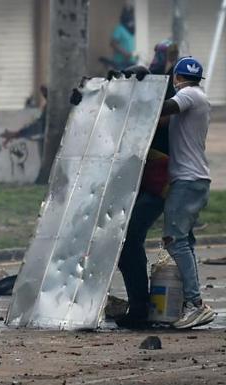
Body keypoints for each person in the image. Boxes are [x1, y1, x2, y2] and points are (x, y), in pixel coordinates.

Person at [115, 40, 179, 329]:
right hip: (137, 181)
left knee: (130, 241)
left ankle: (141, 309)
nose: (156, 60)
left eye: (161, 56)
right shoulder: (142, 94)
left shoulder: (168, 95)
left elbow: (161, 112)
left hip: (158, 184)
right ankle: (139, 305)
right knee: (125, 243)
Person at [157, 57, 215, 329]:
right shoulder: (198, 96)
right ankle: (190, 301)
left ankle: (196, 304)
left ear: (175, 78)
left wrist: (148, 92)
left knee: (174, 240)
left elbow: (166, 106)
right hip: (193, 180)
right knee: (184, 242)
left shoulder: (189, 95)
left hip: (188, 181)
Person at [110, 4, 137, 70]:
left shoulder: (131, 30)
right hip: (121, 62)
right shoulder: (119, 29)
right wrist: (125, 53)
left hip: (131, 61)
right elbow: (113, 43)